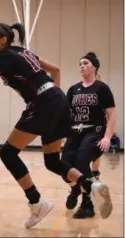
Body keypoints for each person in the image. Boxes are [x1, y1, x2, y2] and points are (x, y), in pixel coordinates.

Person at [0, 22, 113, 228]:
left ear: (3, 40)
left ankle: (36, 202)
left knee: (7, 153)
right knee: (52, 161)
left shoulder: (3, 57)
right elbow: (56, 69)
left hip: (43, 103)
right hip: (58, 100)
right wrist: (54, 97)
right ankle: (90, 184)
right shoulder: (22, 52)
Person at [62, 52, 116, 219]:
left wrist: (107, 137)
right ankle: (75, 189)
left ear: (94, 66)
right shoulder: (73, 89)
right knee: (65, 167)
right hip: (75, 133)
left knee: (81, 160)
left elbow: (112, 114)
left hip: (95, 132)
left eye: (85, 63)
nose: (82, 66)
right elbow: (66, 114)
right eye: (80, 64)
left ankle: (88, 205)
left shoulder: (102, 88)